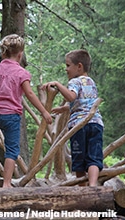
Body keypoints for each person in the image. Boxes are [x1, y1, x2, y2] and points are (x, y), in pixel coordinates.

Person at [0, 34, 52, 188]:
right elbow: (29, 94)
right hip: (10, 116)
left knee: (8, 143)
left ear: (3, 53)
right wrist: (44, 112)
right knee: (12, 150)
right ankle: (7, 183)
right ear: (20, 54)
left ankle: (6, 179)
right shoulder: (21, 73)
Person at [41, 49, 104, 187]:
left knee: (79, 158)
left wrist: (57, 84)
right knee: (94, 157)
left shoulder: (74, 81)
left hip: (79, 126)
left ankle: (82, 189)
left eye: (68, 65)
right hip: (96, 123)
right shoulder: (90, 82)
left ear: (79, 66)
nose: (66, 69)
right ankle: (93, 186)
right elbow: (84, 103)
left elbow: (71, 97)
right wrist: (64, 109)